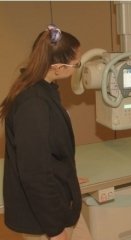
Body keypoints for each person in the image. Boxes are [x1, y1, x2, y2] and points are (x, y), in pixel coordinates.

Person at [0, 24, 93, 240]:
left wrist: (67, 178)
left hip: (60, 205)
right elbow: (34, 174)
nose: (77, 67)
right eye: (75, 63)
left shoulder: (45, 89)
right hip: (44, 219)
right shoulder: (34, 103)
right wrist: (55, 230)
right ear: (57, 67)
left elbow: (49, 152)